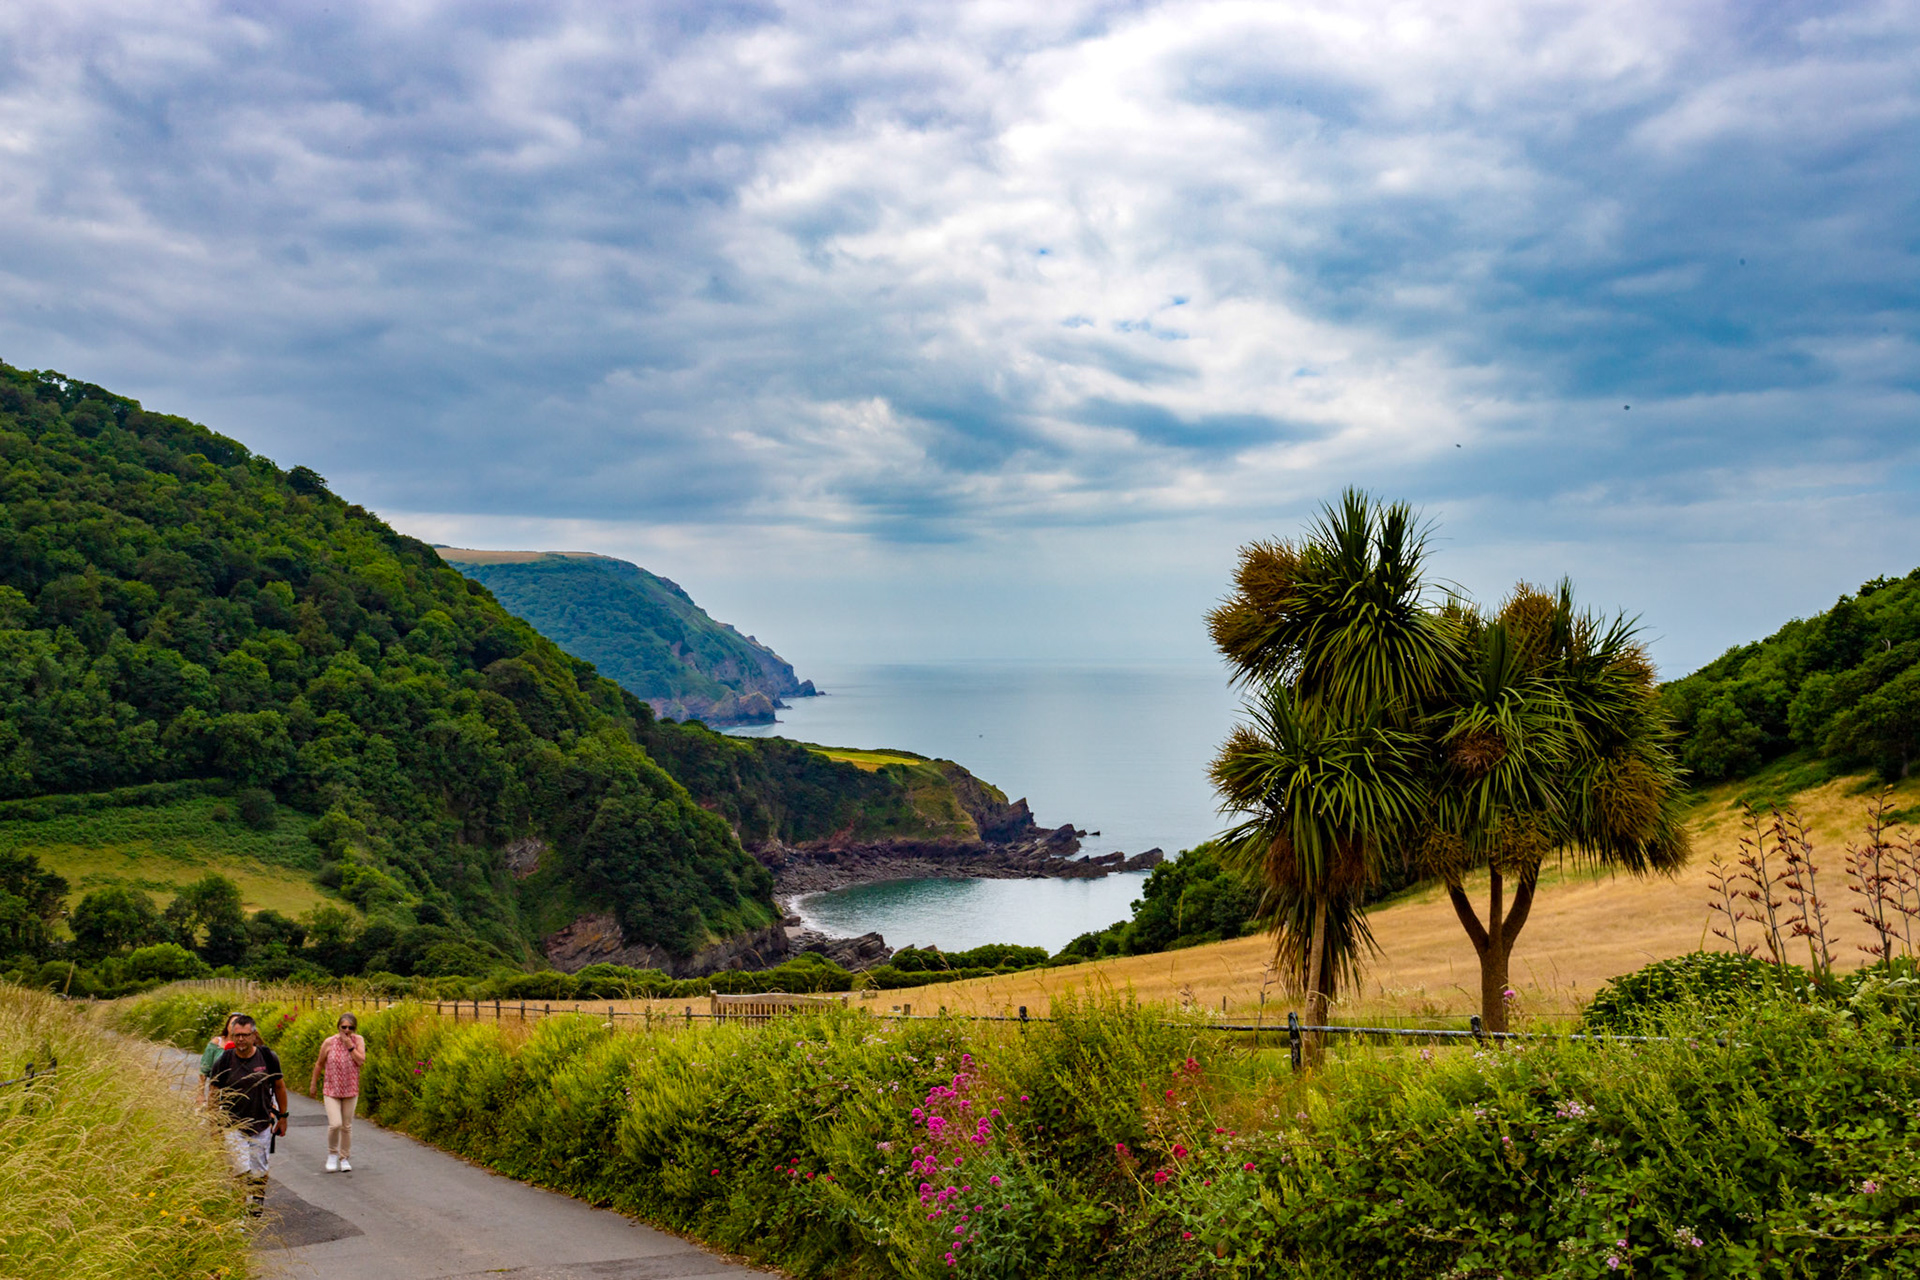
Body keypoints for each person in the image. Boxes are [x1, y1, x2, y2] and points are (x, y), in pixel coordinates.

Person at [206, 1015, 288, 1216]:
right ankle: (239, 1217)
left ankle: (257, 1199)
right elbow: (214, 1093)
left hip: (261, 1124)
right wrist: (214, 1124)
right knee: (240, 1171)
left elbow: (279, 1086)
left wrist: (283, 1117)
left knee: (259, 1171)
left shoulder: (268, 1058)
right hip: (233, 1126)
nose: (241, 1039)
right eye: (237, 1035)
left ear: (254, 1036)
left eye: (245, 1035)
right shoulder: (224, 1060)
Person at [309, 1011, 365, 1172]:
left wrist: (349, 1045)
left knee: (346, 1126)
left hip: (350, 1088)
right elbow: (319, 1063)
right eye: (344, 1027)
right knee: (335, 1124)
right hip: (331, 1089)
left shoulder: (358, 1040)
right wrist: (313, 1084)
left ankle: (344, 1157)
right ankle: (332, 1154)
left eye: (350, 1028)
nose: (347, 1030)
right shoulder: (329, 1042)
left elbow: (361, 1061)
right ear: (338, 1027)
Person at [197, 1012, 242, 1108]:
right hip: (216, 1092)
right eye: (233, 1023)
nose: (235, 1027)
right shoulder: (216, 1043)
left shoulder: (246, 1046)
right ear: (227, 1025)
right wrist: (200, 1094)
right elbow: (204, 1070)